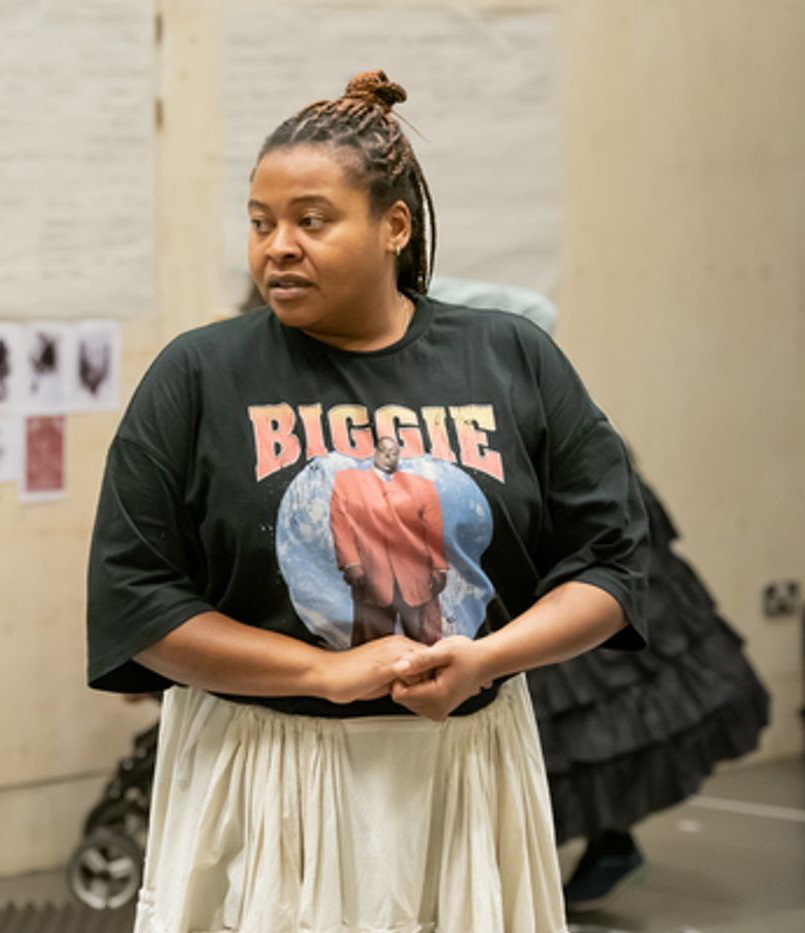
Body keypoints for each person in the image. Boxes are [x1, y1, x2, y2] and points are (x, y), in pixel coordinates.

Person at [87, 70, 649, 932]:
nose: (278, 245)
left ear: (395, 226)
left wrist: (489, 658)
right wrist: (324, 672)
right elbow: (135, 601)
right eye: (260, 221)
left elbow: (610, 564)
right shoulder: (198, 375)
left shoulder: (513, 358)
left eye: (311, 220)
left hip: (463, 768)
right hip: (263, 770)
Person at [425, 276, 772, 911]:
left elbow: (536, 313)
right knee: (563, 705)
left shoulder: (447, 309)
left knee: (588, 690)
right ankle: (581, 847)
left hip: (567, 509)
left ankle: (599, 844)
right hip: (525, 521)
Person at [330, 435, 449, 645]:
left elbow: (433, 528)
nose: (389, 456)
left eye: (394, 452)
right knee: (369, 644)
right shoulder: (348, 481)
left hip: (416, 578)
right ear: (375, 451)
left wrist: (439, 567)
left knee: (427, 643)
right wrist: (351, 563)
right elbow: (340, 523)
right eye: (384, 451)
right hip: (371, 576)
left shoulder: (422, 486)